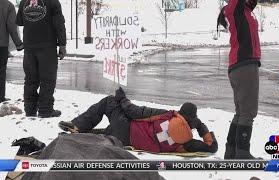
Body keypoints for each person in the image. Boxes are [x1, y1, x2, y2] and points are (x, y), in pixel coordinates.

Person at [59, 87, 218, 153]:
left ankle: (78, 126)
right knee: (107, 133)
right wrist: (202, 128)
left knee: (109, 101)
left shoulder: (167, 115)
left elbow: (134, 112)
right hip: (128, 141)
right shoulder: (187, 143)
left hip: (126, 127)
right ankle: (80, 135)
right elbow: (212, 148)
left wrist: (122, 98)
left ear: (180, 112)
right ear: (193, 122)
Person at [217, 0, 261, 159]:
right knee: (249, 112)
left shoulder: (244, 11)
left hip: (240, 64)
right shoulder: (236, 8)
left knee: (241, 112)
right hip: (245, 63)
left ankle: (231, 151)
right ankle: (242, 153)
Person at [16, 0, 67, 118]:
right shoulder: (53, 1)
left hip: (29, 46)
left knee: (30, 79)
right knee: (47, 79)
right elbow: (59, 23)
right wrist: (62, 45)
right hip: (47, 46)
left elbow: (20, 21)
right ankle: (45, 110)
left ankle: (30, 110)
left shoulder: (24, 1)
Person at [0, 0, 24, 103]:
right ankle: (0, 97)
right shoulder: (8, 5)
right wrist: (18, 44)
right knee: (1, 71)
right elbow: (11, 26)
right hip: (1, 45)